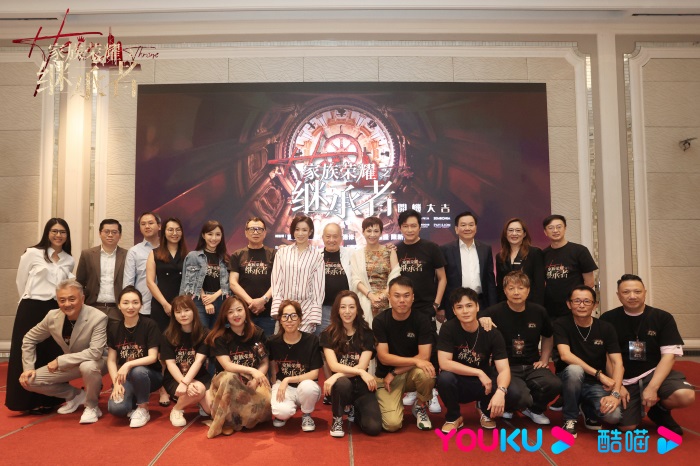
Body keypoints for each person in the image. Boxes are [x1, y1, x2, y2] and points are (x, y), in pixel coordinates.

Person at [600, 274, 695, 436]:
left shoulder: (662, 317)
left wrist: (652, 387)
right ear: (618, 295)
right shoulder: (608, 319)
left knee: (685, 395)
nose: (632, 296)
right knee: (626, 427)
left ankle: (660, 411)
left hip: (653, 372)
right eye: (626, 292)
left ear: (645, 292)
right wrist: (617, 386)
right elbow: (606, 357)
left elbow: (669, 356)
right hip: (624, 377)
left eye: (637, 291)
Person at [6, 218, 75, 413]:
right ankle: (24, 402)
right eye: (54, 231)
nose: (58, 235)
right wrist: (28, 302)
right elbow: (20, 281)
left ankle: (51, 400)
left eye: (62, 232)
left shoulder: (69, 259)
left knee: (52, 353)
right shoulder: (32, 253)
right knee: (27, 352)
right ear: (47, 233)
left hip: (56, 309)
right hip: (31, 307)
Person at [19, 279, 108, 424]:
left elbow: (95, 352)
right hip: (72, 362)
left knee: (88, 366)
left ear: (82, 299)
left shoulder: (98, 317)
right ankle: (76, 396)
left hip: (98, 361)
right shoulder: (52, 316)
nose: (67, 304)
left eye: (72, 299)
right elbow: (29, 338)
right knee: (28, 381)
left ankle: (92, 406)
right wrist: (28, 367)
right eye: (62, 300)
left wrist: (60, 361)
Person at [437, 287, 524, 432]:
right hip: (459, 381)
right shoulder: (448, 328)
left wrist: (501, 391)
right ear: (454, 311)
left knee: (514, 393)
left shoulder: (492, 332)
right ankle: (454, 416)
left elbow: (504, 369)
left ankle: (483, 409)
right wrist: (478, 372)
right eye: (459, 307)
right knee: (444, 378)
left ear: (477, 307)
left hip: (484, 384)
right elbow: (444, 363)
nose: (465, 311)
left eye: (469, 305)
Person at [479, 271, 560, 425]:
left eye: (521, 288)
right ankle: (511, 406)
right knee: (519, 395)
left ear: (528, 290)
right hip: (505, 367)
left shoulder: (539, 311)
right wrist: (481, 319)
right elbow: (475, 321)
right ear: (505, 291)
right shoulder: (494, 312)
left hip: (532, 365)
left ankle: (534, 409)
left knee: (554, 384)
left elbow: (548, 335)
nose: (516, 292)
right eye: (511, 288)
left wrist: (544, 358)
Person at [554, 285, 623, 438]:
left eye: (587, 301)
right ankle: (570, 418)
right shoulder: (561, 324)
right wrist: (599, 374)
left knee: (614, 417)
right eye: (577, 301)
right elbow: (565, 355)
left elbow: (617, 363)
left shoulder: (606, 328)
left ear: (595, 305)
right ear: (569, 304)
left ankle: (587, 407)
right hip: (568, 379)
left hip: (595, 384)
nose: (582, 305)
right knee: (575, 370)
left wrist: (616, 393)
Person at [395, 209, 444, 413]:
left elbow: (442, 278)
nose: (409, 230)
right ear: (400, 228)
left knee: (429, 349)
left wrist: (436, 304)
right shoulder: (396, 250)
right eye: (405, 226)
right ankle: (415, 388)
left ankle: (431, 391)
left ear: (420, 227)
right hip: (403, 308)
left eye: (413, 226)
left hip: (425, 307)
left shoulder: (431, 248)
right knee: (408, 347)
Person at [372, 276, 435, 432]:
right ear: (389, 297)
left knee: (426, 372)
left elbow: (424, 357)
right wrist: (414, 362)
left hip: (408, 373)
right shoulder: (380, 321)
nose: (402, 300)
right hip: (386, 378)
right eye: (397, 296)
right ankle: (391, 404)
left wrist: (395, 371)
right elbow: (384, 358)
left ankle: (420, 405)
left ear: (413, 297)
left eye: (406, 296)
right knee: (392, 425)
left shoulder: (422, 320)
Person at [205, 295, 271, 437]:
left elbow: (264, 362)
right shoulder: (219, 337)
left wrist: (256, 379)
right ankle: (226, 422)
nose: (236, 315)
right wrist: (252, 371)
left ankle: (238, 419)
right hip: (226, 382)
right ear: (225, 316)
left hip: (253, 380)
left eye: (239, 310)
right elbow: (227, 365)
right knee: (230, 378)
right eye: (230, 312)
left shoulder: (257, 333)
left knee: (269, 403)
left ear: (245, 312)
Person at [321, 290, 381, 438]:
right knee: (342, 382)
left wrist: (336, 375)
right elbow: (333, 366)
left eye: (351, 307)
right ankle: (337, 418)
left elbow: (362, 365)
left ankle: (355, 409)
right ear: (337, 310)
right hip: (342, 387)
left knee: (373, 428)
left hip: (362, 386)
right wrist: (358, 372)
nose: (347, 311)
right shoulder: (328, 334)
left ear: (358, 310)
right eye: (343, 307)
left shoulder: (367, 334)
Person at [107, 286, 163, 428]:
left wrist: (128, 364)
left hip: (150, 375)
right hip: (126, 377)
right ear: (119, 305)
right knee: (116, 409)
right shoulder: (114, 328)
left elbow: (153, 357)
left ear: (141, 305)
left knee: (138, 371)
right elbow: (111, 360)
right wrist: (116, 383)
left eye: (135, 302)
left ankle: (143, 408)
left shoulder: (149, 325)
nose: (130, 307)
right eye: (126, 303)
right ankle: (133, 402)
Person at [269, 300, 323, 432]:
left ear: (300, 319)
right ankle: (287, 411)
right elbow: (270, 360)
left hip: (305, 385)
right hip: (285, 387)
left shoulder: (312, 340)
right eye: (285, 316)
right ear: (280, 320)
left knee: (308, 387)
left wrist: (288, 379)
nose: (289, 320)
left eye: (293, 316)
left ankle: (306, 414)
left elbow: (314, 374)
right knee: (280, 412)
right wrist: (274, 380)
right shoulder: (273, 341)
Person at [161, 295, 212, 428]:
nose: (183, 315)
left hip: (199, 376)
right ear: (174, 315)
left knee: (210, 410)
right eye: (178, 312)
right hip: (175, 378)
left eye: (186, 310)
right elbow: (170, 364)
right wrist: (183, 383)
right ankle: (177, 409)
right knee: (198, 389)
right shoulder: (168, 335)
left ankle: (198, 400)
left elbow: (198, 361)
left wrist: (186, 382)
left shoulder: (204, 333)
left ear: (194, 311)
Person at [271, 216, 325, 333]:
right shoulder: (282, 253)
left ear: (310, 232)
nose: (300, 233)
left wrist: (314, 316)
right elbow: (277, 283)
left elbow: (318, 289)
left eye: (304, 230)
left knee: (304, 344)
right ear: (293, 231)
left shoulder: (317, 256)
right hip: (285, 312)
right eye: (297, 229)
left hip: (306, 312)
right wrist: (277, 311)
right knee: (281, 343)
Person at [542, 214, 597, 320]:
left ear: (565, 228)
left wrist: (580, 304)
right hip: (551, 310)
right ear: (545, 232)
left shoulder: (580, 251)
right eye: (551, 228)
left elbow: (589, 283)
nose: (555, 230)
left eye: (559, 227)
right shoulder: (543, 254)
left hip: (574, 309)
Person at [228, 217, 276, 337]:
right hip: (243, 312)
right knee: (243, 344)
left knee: (266, 345)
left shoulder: (274, 254)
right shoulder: (237, 255)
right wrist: (252, 302)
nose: (255, 232)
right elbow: (233, 283)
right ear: (246, 232)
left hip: (267, 312)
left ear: (265, 233)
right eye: (252, 229)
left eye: (259, 229)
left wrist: (263, 300)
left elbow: (278, 281)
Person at [442, 211, 497, 314]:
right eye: (463, 225)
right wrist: (441, 307)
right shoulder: (445, 250)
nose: (467, 228)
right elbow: (441, 280)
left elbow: (490, 280)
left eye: (471, 225)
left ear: (476, 228)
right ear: (456, 229)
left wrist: (493, 306)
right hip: (455, 303)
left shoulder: (485, 249)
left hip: (481, 303)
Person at [180, 220, 230, 330]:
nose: (214, 238)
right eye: (210, 234)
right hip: (199, 300)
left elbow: (229, 283)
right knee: (201, 334)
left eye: (218, 234)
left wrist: (214, 296)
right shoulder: (193, 256)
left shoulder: (225, 258)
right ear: (203, 235)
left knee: (218, 335)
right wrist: (206, 300)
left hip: (221, 300)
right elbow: (190, 282)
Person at [350, 216, 400, 326]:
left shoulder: (390, 251)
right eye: (369, 231)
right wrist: (371, 296)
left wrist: (383, 295)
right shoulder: (356, 255)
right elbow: (355, 280)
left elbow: (395, 276)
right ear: (363, 232)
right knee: (366, 333)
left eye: (376, 231)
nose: (372, 234)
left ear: (381, 233)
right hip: (365, 300)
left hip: (387, 301)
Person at [75, 218, 127, 322]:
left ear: (120, 235)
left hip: (118, 309)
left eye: (114, 232)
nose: (110, 235)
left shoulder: (127, 255)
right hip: (93, 307)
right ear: (100, 233)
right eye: (106, 231)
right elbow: (80, 282)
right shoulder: (87, 254)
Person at [146, 217, 188, 332]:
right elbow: (150, 282)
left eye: (178, 230)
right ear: (164, 232)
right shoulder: (154, 253)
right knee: (160, 337)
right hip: (161, 304)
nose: (175, 233)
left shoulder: (188, 255)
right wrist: (165, 304)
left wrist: (183, 305)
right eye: (170, 230)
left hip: (183, 306)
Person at [495, 218, 545, 306]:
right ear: (506, 234)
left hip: (530, 304)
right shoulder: (500, 256)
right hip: (508, 305)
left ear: (524, 234)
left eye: (518, 230)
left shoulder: (534, 253)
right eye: (510, 230)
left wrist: (537, 306)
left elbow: (539, 285)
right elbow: (500, 285)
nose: (514, 233)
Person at [123, 211, 161, 317]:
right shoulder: (134, 251)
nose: (147, 226)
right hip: (143, 307)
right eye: (143, 224)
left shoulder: (168, 249)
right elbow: (128, 283)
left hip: (166, 305)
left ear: (159, 226)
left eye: (150, 223)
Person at [319, 223, 353, 336]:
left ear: (341, 238)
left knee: (345, 340)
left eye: (335, 236)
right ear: (323, 238)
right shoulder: (315, 255)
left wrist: (390, 248)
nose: (331, 240)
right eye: (328, 236)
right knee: (323, 341)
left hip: (346, 309)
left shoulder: (351, 254)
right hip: (323, 309)